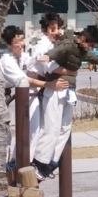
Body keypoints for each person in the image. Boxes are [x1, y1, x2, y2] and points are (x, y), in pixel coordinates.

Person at [31, 25, 98, 179]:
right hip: (56, 88)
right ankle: (39, 161)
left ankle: (51, 162)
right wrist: (48, 57)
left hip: (69, 90)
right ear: (84, 38)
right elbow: (58, 51)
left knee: (65, 128)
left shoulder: (82, 49)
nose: (90, 47)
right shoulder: (68, 42)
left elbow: (90, 56)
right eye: (90, 44)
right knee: (52, 126)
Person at [0, 26, 68, 169]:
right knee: (8, 135)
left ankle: (23, 160)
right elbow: (24, 80)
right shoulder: (6, 59)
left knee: (33, 127)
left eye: (22, 40)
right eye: (17, 41)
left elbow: (36, 66)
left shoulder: (24, 55)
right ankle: (16, 163)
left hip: (23, 93)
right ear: (8, 45)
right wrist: (49, 84)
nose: (21, 44)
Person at [27, 13, 66, 143]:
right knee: (33, 129)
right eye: (53, 29)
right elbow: (52, 68)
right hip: (32, 89)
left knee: (39, 128)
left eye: (59, 28)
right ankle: (17, 161)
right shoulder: (43, 45)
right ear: (44, 30)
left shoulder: (52, 44)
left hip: (40, 88)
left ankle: (25, 160)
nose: (57, 32)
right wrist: (72, 72)